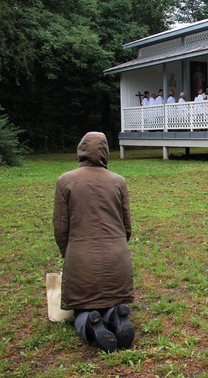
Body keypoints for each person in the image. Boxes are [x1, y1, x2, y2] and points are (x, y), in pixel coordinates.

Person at [53, 132, 135, 353]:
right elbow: (127, 226)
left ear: (81, 149)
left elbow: (61, 229)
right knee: (111, 301)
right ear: (105, 152)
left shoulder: (65, 181)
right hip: (117, 259)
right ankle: (116, 314)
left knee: (81, 310)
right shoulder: (119, 181)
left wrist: (68, 255)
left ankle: (90, 321)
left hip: (81, 258)